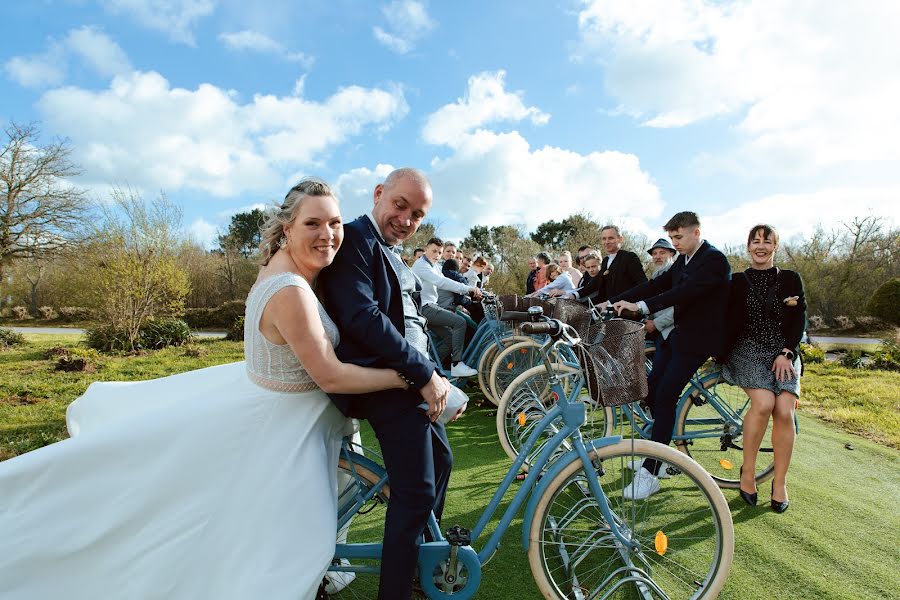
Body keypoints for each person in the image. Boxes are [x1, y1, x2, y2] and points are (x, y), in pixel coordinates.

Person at [0, 179, 413, 600]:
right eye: (313, 223)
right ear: (287, 228)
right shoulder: (290, 291)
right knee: (278, 546)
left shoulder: (288, 270)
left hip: (283, 407)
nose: (327, 234)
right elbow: (331, 376)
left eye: (335, 222)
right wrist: (408, 375)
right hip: (283, 428)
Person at [319, 168, 457, 600]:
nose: (407, 219)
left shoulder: (391, 250)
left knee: (443, 460)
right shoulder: (355, 238)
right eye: (400, 205)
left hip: (411, 378)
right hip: (381, 382)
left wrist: (439, 378)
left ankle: (420, 561)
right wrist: (423, 375)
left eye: (417, 214)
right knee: (415, 494)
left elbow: (412, 322)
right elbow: (364, 318)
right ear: (379, 194)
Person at [606, 211, 731, 500]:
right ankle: (659, 455)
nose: (675, 243)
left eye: (679, 237)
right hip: (677, 335)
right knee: (649, 393)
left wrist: (642, 307)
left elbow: (684, 292)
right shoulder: (684, 259)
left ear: (696, 232)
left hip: (699, 339)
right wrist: (613, 301)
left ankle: (652, 471)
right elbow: (657, 285)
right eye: (672, 237)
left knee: (664, 397)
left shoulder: (713, 260)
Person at [720, 224, 805, 513]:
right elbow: (725, 318)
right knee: (765, 402)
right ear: (748, 247)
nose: (761, 246)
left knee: (784, 409)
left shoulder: (792, 279)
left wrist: (787, 352)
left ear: (775, 247)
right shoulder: (736, 281)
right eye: (755, 241)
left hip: (783, 349)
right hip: (747, 348)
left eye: (767, 242)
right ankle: (748, 473)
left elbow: (798, 321)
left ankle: (779, 483)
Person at [411, 237, 482, 377]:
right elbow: (441, 282)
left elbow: (449, 280)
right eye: (434, 251)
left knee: (450, 339)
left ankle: (428, 366)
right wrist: (468, 289)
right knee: (460, 322)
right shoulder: (421, 265)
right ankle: (457, 364)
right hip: (424, 308)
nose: (437, 255)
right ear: (426, 249)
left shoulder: (434, 266)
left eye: (439, 252)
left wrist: (473, 290)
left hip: (431, 306)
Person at [643, 238, 677, 346]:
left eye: (662, 253)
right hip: (657, 327)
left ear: (671, 253)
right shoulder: (655, 275)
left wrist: (656, 323)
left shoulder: (676, 272)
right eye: (654, 253)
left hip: (672, 328)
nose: (657, 256)